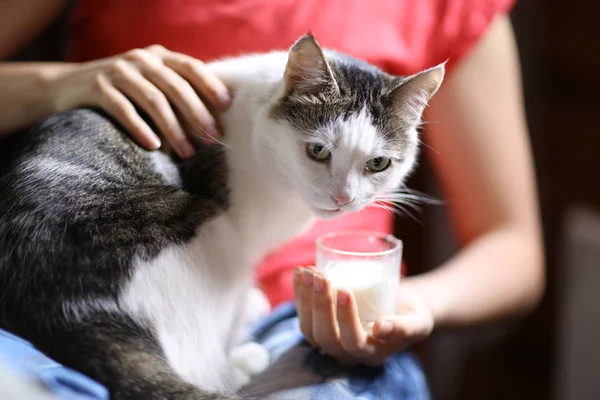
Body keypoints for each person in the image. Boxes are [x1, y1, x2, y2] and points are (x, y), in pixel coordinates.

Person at [0, 0, 544, 398]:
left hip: (319, 319)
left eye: (377, 165)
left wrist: (416, 305)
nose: (343, 194)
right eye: (318, 153)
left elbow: (513, 246)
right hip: (104, 278)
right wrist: (58, 84)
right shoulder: (248, 109)